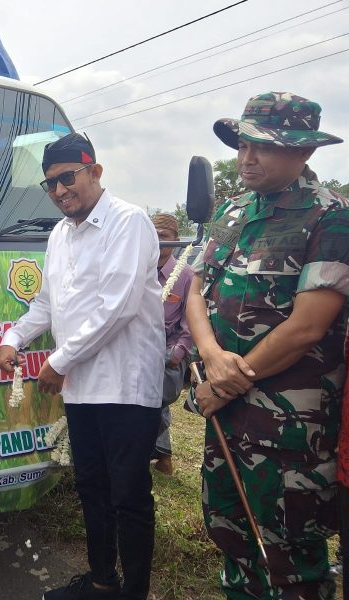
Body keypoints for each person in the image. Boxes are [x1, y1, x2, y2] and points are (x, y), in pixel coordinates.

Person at [186, 92, 348, 598]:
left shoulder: (330, 218)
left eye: (263, 147)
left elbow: (307, 327)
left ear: (304, 153)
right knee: (228, 532)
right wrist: (212, 358)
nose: (246, 159)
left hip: (288, 428)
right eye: (242, 145)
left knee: (292, 552)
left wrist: (228, 383)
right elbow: (193, 289)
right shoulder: (232, 211)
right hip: (226, 412)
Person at [0, 132, 165, 600]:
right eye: (50, 185)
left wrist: (56, 361)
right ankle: (100, 581)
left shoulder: (127, 222)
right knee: (91, 485)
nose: (59, 191)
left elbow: (118, 307)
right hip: (82, 387)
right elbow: (47, 304)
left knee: (128, 495)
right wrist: (14, 337)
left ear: (95, 171)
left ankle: (134, 592)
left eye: (67, 178)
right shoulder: (60, 234)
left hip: (126, 387)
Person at [151, 213, 193, 476]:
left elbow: (190, 324)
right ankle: (160, 455)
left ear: (176, 241)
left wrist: (176, 354)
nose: (157, 242)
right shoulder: (137, 269)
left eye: (164, 237)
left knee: (156, 401)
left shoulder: (186, 275)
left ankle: (163, 456)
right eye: (152, 236)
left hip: (171, 350)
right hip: (137, 347)